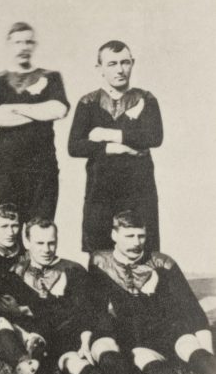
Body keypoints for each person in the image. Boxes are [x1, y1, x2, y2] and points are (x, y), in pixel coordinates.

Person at [0, 217, 133, 374]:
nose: (46, 249)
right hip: (38, 342)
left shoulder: (73, 270)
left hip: (69, 334)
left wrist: (28, 311)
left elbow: (82, 310)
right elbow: (7, 310)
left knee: (78, 354)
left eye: (51, 243)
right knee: (6, 324)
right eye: (40, 243)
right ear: (27, 242)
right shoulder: (16, 273)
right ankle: (25, 364)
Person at [89, 210, 216, 374]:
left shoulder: (163, 262)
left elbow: (192, 310)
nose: (136, 242)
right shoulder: (99, 263)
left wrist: (208, 355)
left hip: (171, 333)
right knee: (142, 356)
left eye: (141, 236)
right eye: (129, 236)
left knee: (188, 343)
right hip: (138, 339)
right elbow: (97, 309)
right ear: (114, 235)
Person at [68, 40, 163, 253]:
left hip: (139, 189)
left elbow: (154, 137)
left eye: (125, 62)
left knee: (143, 250)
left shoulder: (146, 99)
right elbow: (74, 146)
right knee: (100, 254)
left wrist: (108, 134)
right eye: (112, 64)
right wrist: (113, 148)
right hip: (100, 190)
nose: (120, 70)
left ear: (132, 63)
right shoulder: (88, 102)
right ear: (99, 68)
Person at [0, 22, 69, 224]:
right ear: (8, 44)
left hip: (43, 169)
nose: (24, 47)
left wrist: (10, 108)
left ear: (35, 45)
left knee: (40, 229)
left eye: (28, 42)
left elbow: (59, 109)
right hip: (6, 170)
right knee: (7, 228)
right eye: (18, 42)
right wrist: (38, 112)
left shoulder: (51, 77)